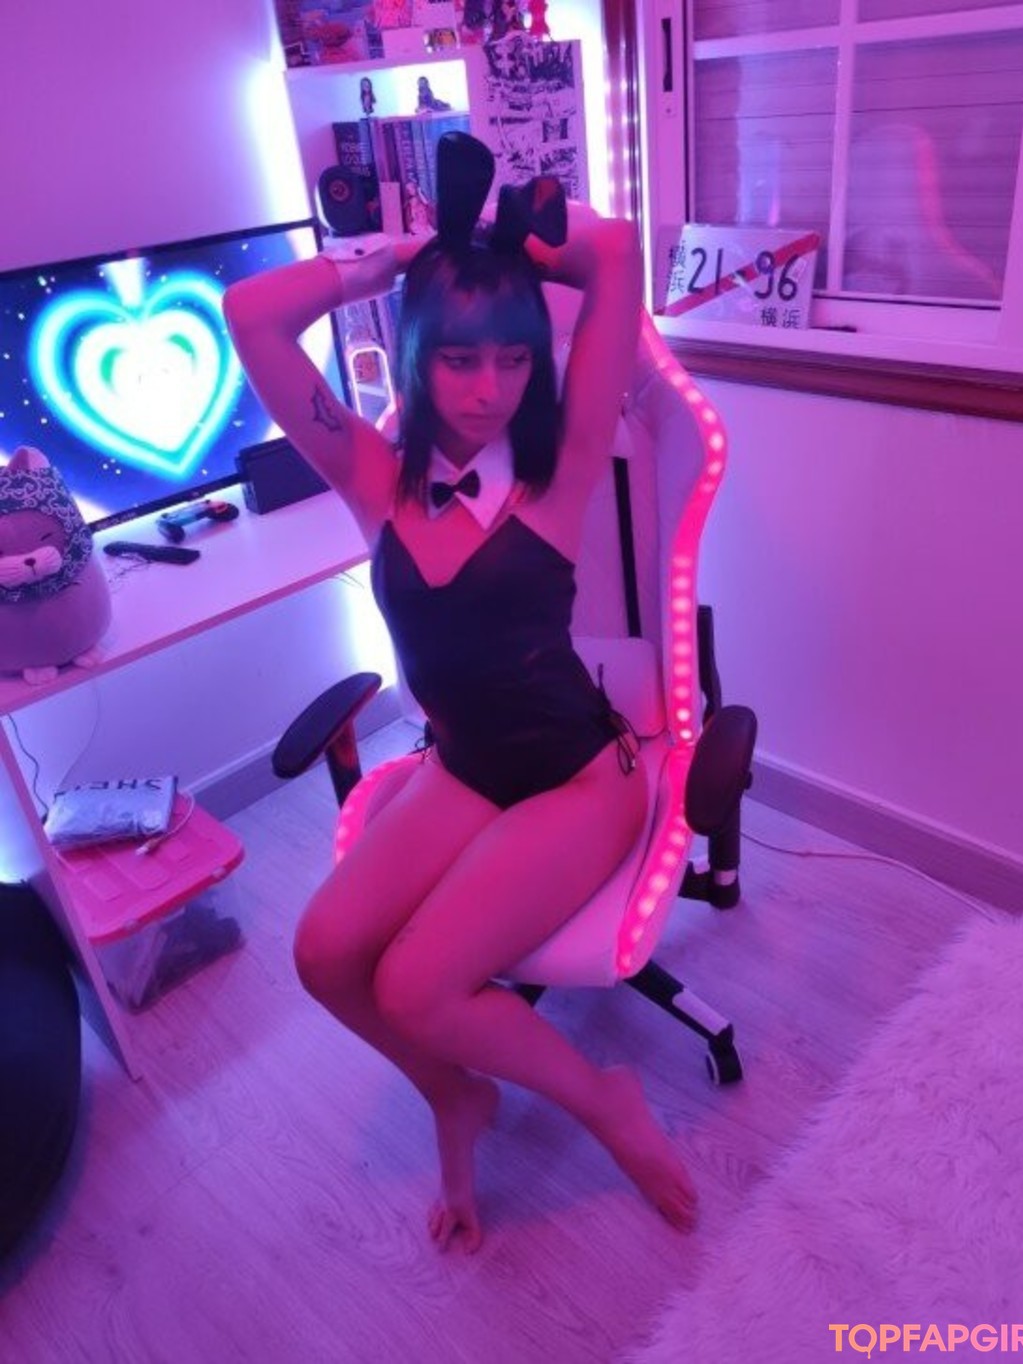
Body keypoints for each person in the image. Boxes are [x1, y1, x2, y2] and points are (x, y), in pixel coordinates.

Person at [223, 134, 698, 1252]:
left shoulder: (558, 469)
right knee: (324, 954)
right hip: (464, 768)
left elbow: (616, 253)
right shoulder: (372, 475)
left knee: (415, 987)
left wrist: (504, 243)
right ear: (416, 355)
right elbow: (251, 313)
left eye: (515, 360)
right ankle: (455, 1094)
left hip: (579, 779)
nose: (490, 391)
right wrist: (401, 258)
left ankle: (603, 1098)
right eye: (459, 359)